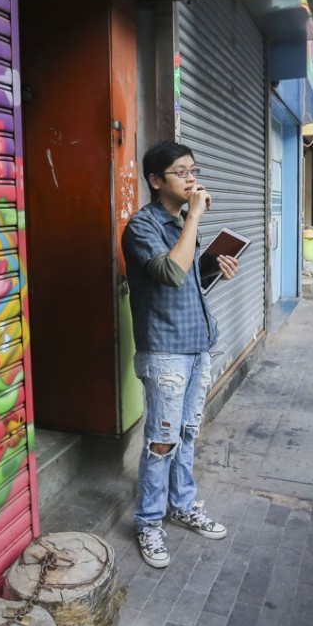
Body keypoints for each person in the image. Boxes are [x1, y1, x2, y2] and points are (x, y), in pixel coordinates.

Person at [121, 140, 237, 568]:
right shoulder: (142, 226)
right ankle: (149, 522)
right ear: (156, 181)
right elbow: (169, 273)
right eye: (181, 172)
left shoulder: (184, 223)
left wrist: (213, 268)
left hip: (197, 344)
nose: (192, 178)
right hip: (166, 351)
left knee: (187, 433)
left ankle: (181, 504)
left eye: (194, 170)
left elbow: (188, 280)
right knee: (162, 442)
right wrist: (196, 217)